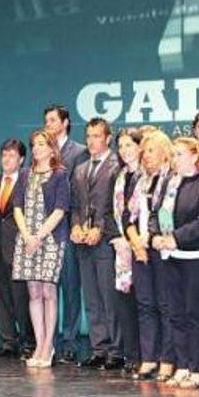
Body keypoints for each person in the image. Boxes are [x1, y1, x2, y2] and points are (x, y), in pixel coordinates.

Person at [151, 138, 199, 389]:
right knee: (176, 313)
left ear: (194, 156)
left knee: (194, 314)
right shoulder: (169, 182)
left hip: (196, 257)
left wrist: (176, 238)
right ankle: (182, 364)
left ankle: (198, 367)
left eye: (179, 154)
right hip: (172, 257)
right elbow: (157, 213)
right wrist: (156, 235)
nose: (174, 159)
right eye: (173, 155)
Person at [11, 130, 70, 368]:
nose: (37, 149)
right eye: (34, 145)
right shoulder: (25, 175)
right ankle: (39, 343)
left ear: (52, 148)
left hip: (51, 238)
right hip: (26, 239)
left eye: (42, 144)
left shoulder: (59, 175)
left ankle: (48, 345)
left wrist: (39, 236)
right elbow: (16, 207)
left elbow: (60, 209)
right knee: (33, 292)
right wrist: (27, 236)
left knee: (48, 292)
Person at [70, 117, 123, 370]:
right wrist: (76, 226)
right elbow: (76, 207)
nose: (91, 141)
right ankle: (98, 347)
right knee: (91, 298)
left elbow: (116, 207)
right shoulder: (80, 169)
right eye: (88, 136)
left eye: (97, 136)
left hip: (105, 243)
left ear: (108, 138)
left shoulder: (117, 166)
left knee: (109, 298)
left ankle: (116, 349)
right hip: (83, 243)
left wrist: (100, 229)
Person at [43, 104, 88, 363]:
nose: (48, 124)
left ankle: (69, 341)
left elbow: (79, 192)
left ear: (65, 122)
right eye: (46, 120)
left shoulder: (79, 152)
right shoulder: (42, 151)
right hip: (44, 231)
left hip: (68, 228)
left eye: (52, 120)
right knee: (46, 288)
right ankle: (47, 340)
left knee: (70, 287)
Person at [129, 130, 175, 381]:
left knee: (165, 305)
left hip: (163, 249)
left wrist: (152, 238)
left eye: (151, 151)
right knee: (145, 304)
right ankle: (149, 357)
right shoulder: (140, 181)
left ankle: (167, 359)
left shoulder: (172, 180)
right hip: (141, 248)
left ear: (164, 153)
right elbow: (130, 215)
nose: (145, 156)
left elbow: (166, 215)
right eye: (143, 151)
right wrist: (136, 241)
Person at [0, 138, 35, 359]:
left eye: (11, 155)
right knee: (1, 295)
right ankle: (8, 340)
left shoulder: (28, 181)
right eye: (4, 155)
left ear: (22, 159)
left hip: (20, 245)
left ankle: (29, 342)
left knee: (21, 296)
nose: (6, 159)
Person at [109, 127, 147, 375]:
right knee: (124, 303)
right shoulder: (119, 176)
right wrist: (117, 236)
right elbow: (114, 212)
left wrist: (135, 239)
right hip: (122, 249)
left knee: (144, 303)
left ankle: (149, 355)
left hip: (143, 246)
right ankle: (132, 355)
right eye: (121, 146)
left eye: (129, 145)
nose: (124, 151)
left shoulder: (149, 175)